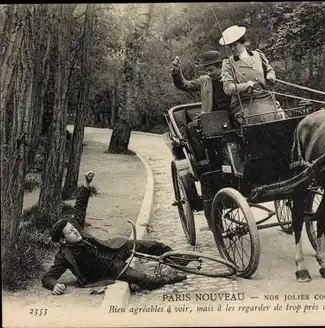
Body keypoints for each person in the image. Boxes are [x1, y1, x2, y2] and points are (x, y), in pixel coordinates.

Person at [42, 171, 188, 295]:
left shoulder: (76, 228)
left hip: (115, 248)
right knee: (145, 280)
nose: (75, 231)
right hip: (111, 268)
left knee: (153, 245)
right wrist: (54, 285)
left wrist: (86, 184)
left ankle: (180, 260)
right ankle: (170, 278)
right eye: (71, 232)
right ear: (63, 240)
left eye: (74, 228)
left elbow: (79, 208)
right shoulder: (64, 257)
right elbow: (47, 277)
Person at [171, 50, 232, 162]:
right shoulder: (204, 81)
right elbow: (184, 85)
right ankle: (202, 161)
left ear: (220, 67)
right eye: (206, 70)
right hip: (211, 120)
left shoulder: (230, 78)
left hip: (230, 118)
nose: (208, 73)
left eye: (211, 70)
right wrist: (176, 71)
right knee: (191, 127)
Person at [219, 25, 281, 125]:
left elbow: (270, 70)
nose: (232, 48)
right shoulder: (228, 63)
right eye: (230, 46)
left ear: (243, 43)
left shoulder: (257, 55)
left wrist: (271, 76)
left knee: (282, 118)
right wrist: (246, 85)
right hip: (244, 103)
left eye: (235, 45)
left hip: (266, 98)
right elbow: (228, 88)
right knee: (261, 119)